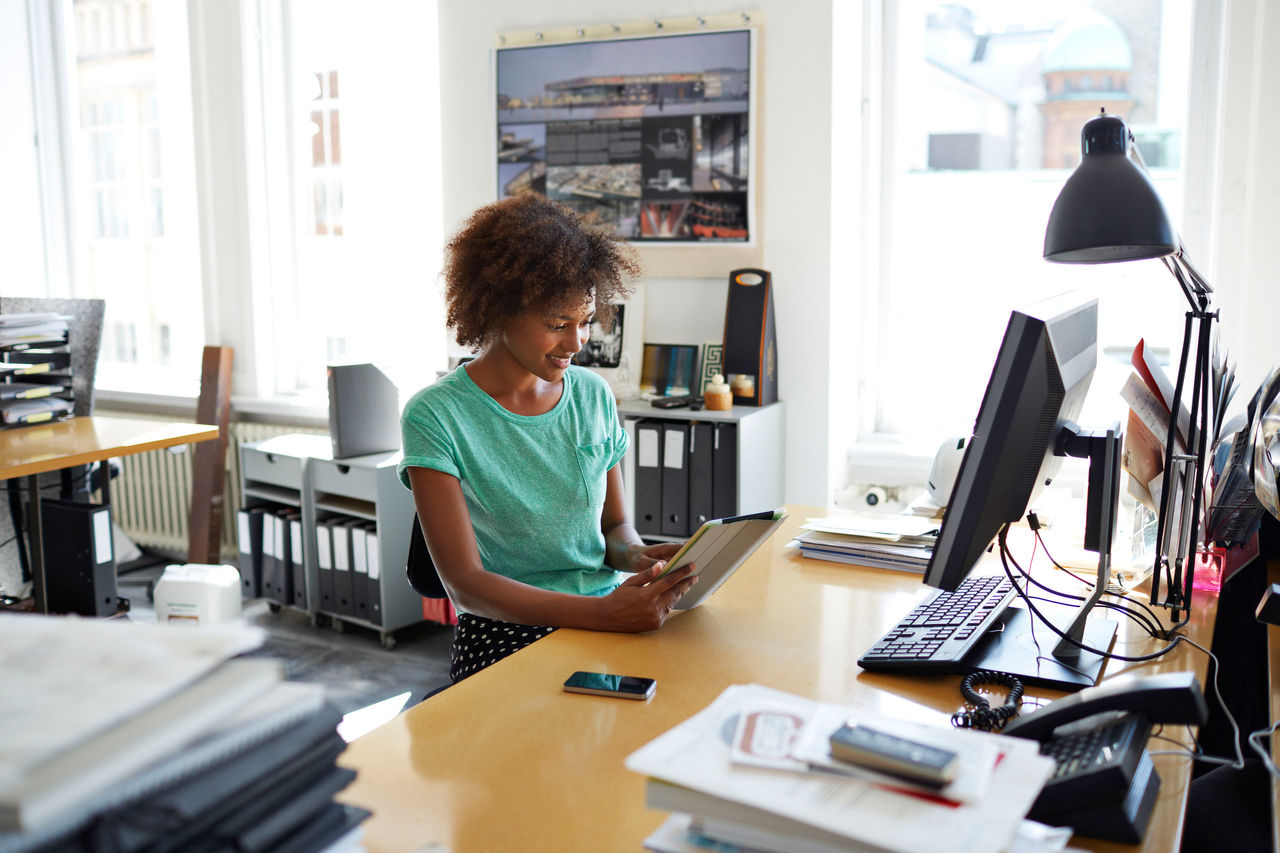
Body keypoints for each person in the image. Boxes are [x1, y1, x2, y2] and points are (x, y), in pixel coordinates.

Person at [399, 193, 697, 682]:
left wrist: (638, 555)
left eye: (585, 322)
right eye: (557, 324)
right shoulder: (436, 415)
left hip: (610, 616)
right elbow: (467, 587)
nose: (576, 342)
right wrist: (604, 616)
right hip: (506, 632)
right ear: (498, 310)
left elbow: (614, 528)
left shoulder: (593, 396)